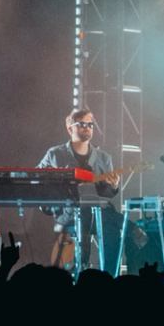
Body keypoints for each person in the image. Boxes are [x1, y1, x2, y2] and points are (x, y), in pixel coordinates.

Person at [36, 107, 127, 269]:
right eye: (82, 124)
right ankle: (80, 268)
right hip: (68, 213)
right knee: (102, 220)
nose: (87, 128)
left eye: (90, 125)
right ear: (70, 128)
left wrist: (113, 186)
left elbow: (106, 195)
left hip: (99, 214)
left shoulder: (104, 158)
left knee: (113, 235)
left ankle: (110, 276)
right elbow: (36, 180)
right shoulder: (55, 154)